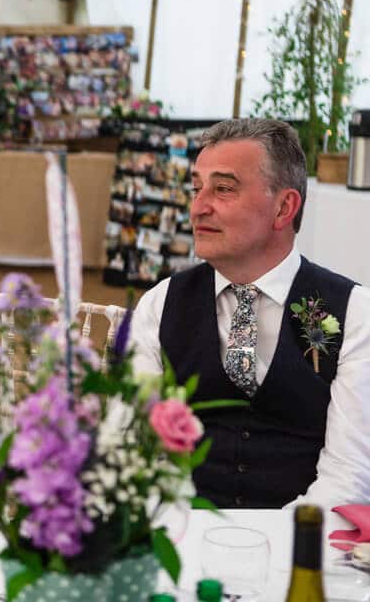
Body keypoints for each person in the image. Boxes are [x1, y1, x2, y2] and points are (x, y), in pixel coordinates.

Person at [131, 118, 370, 509]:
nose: (198, 208)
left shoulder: (355, 314)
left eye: (223, 189)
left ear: (283, 207)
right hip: (182, 537)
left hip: (301, 549)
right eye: (196, 188)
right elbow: (138, 447)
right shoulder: (160, 305)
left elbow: (349, 477)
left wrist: (274, 547)